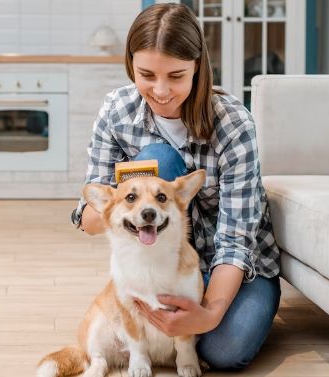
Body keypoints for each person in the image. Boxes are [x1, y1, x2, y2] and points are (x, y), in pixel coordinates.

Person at [70, 3, 280, 371]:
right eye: (146, 74)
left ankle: (225, 314)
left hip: (230, 265)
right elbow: (89, 221)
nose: (161, 90)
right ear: (130, 64)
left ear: (198, 67)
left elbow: (235, 242)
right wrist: (129, 203)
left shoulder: (233, 125)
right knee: (157, 161)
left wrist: (210, 313)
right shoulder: (116, 112)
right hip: (159, 261)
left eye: (176, 76)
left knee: (225, 350)